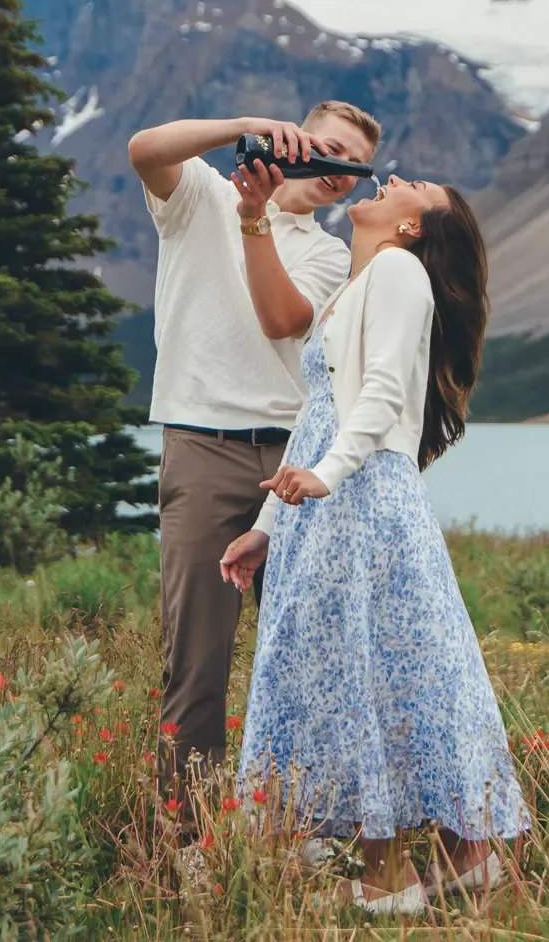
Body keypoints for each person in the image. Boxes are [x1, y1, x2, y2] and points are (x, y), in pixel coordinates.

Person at [221, 174, 529, 915]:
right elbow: (317, 414)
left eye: (412, 186)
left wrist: (326, 477)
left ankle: (391, 880)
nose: (391, 177)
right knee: (383, 669)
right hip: (332, 498)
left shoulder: (395, 272)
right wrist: (266, 529)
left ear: (412, 229)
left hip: (359, 498)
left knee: (363, 673)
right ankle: (461, 859)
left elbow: (387, 391)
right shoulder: (356, 287)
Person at [126, 104, 381, 808]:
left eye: (351, 168)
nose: (335, 173)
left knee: (303, 656)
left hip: (294, 459)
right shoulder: (202, 194)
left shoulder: (333, 255)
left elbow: (284, 321)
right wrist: (242, 126)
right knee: (197, 659)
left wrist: (256, 219)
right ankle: (184, 837)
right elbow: (145, 146)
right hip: (202, 446)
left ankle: (299, 826)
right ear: (291, 139)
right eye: (325, 150)